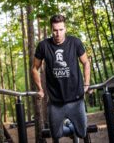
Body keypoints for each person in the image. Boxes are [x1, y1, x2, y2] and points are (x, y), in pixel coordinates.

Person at [32, 14, 90, 142]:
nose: (58, 33)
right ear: (51, 29)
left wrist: (87, 83)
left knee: (82, 132)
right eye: (55, 30)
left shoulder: (75, 42)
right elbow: (35, 68)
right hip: (55, 102)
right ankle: (69, 127)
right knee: (56, 134)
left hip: (76, 99)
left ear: (65, 28)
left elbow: (86, 62)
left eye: (61, 29)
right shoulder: (43, 45)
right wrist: (40, 89)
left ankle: (72, 128)